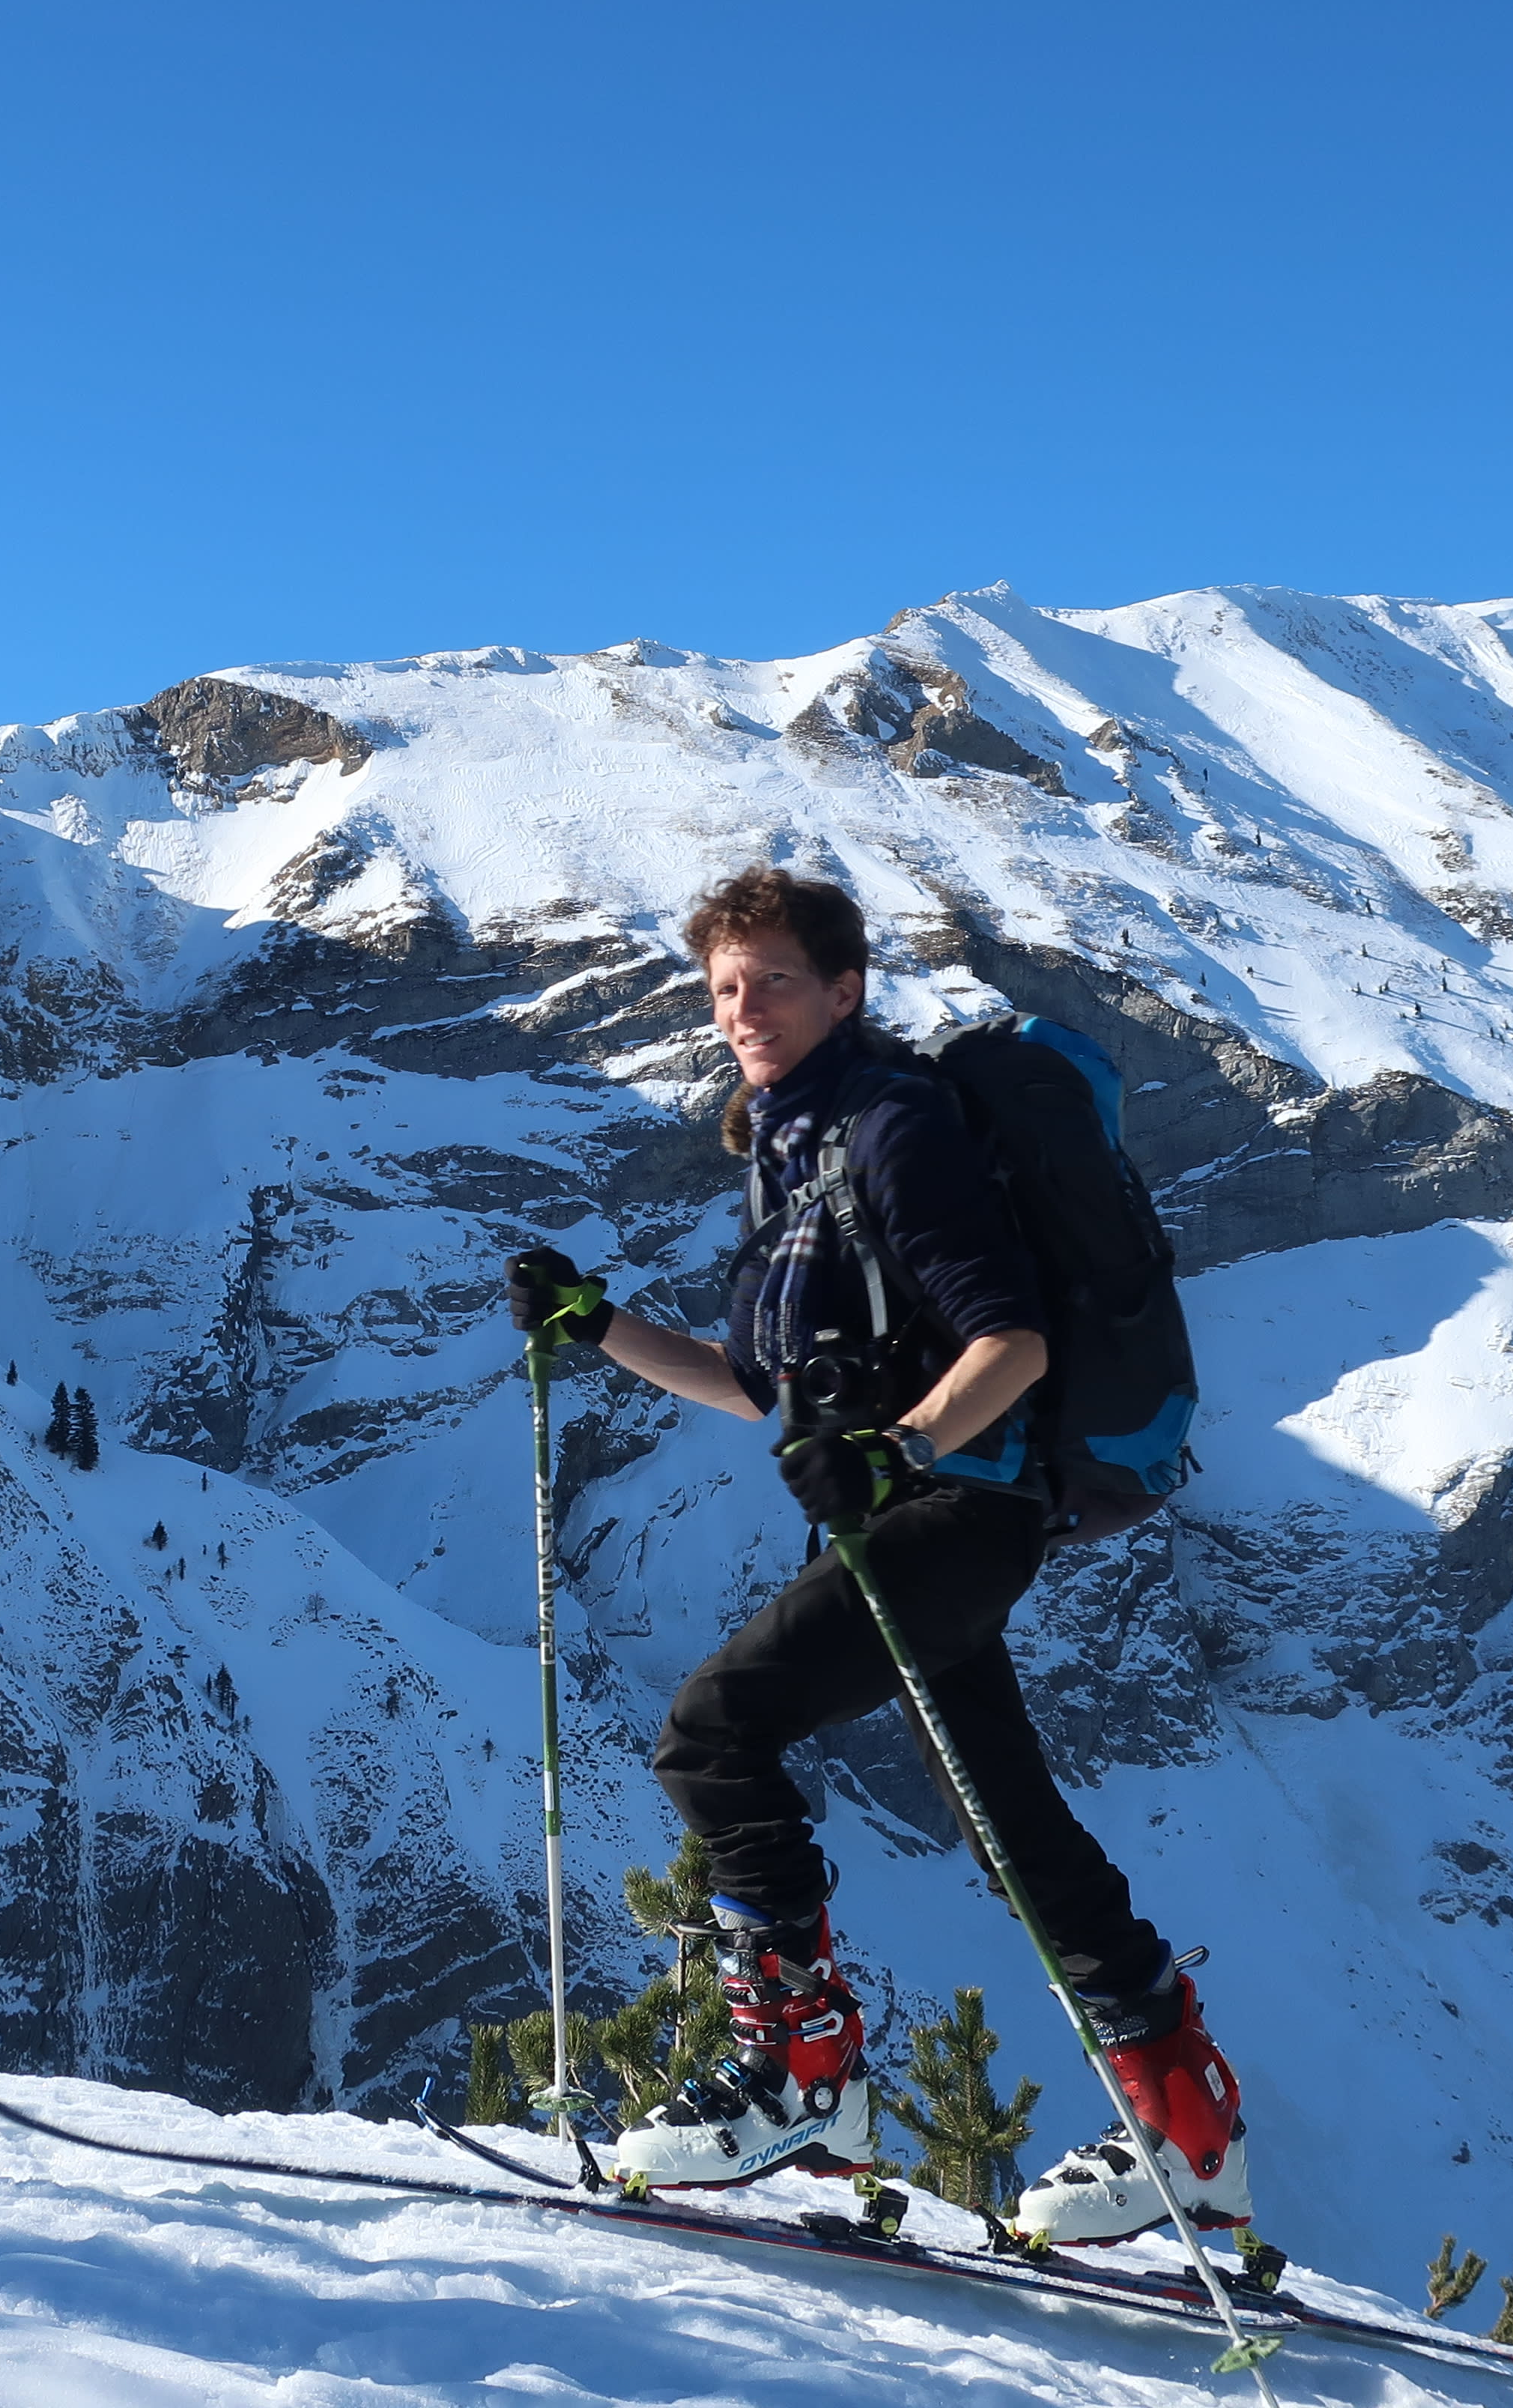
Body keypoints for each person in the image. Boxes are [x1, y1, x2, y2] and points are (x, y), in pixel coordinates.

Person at [503, 863, 1249, 2248]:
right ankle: (1187, 2132)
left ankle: (806, 2076)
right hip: (913, 1513)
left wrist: (900, 1449)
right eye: (726, 987)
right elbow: (759, 1382)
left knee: (713, 1733)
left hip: (955, 1514)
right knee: (1010, 1823)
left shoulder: (892, 1126)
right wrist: (598, 1324)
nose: (744, 1010)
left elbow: (1009, 1341)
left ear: (845, 989)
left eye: (774, 980)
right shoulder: (787, 1149)